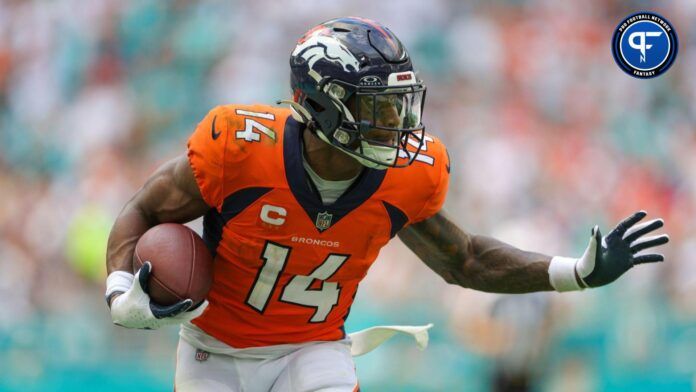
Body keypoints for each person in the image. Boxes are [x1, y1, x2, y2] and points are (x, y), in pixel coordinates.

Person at [104, 17, 669, 392]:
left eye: (399, 105)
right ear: (321, 106)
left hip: (312, 351)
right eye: (378, 108)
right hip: (213, 352)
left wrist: (576, 273)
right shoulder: (240, 147)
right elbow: (142, 211)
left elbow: (465, 260)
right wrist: (119, 289)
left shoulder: (407, 178)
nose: (397, 124)